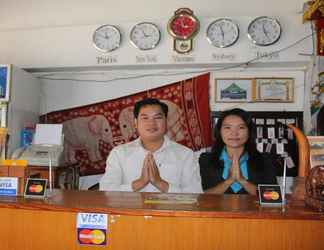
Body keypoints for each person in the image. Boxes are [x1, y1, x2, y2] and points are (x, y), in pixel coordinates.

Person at [99, 98, 202, 193]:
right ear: (135, 123)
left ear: (166, 121)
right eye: (145, 118)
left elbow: (195, 194)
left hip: (170, 212)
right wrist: (139, 183)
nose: (151, 123)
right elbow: (106, 190)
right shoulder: (119, 153)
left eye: (157, 117)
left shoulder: (185, 155)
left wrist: (160, 183)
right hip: (131, 212)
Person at [199, 108, 277, 195]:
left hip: (253, 209)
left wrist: (242, 180)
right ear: (219, 131)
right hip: (217, 208)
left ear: (249, 131)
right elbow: (205, 195)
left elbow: (272, 196)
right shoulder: (206, 159)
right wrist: (229, 181)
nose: (234, 133)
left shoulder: (265, 160)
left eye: (241, 127)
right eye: (228, 128)